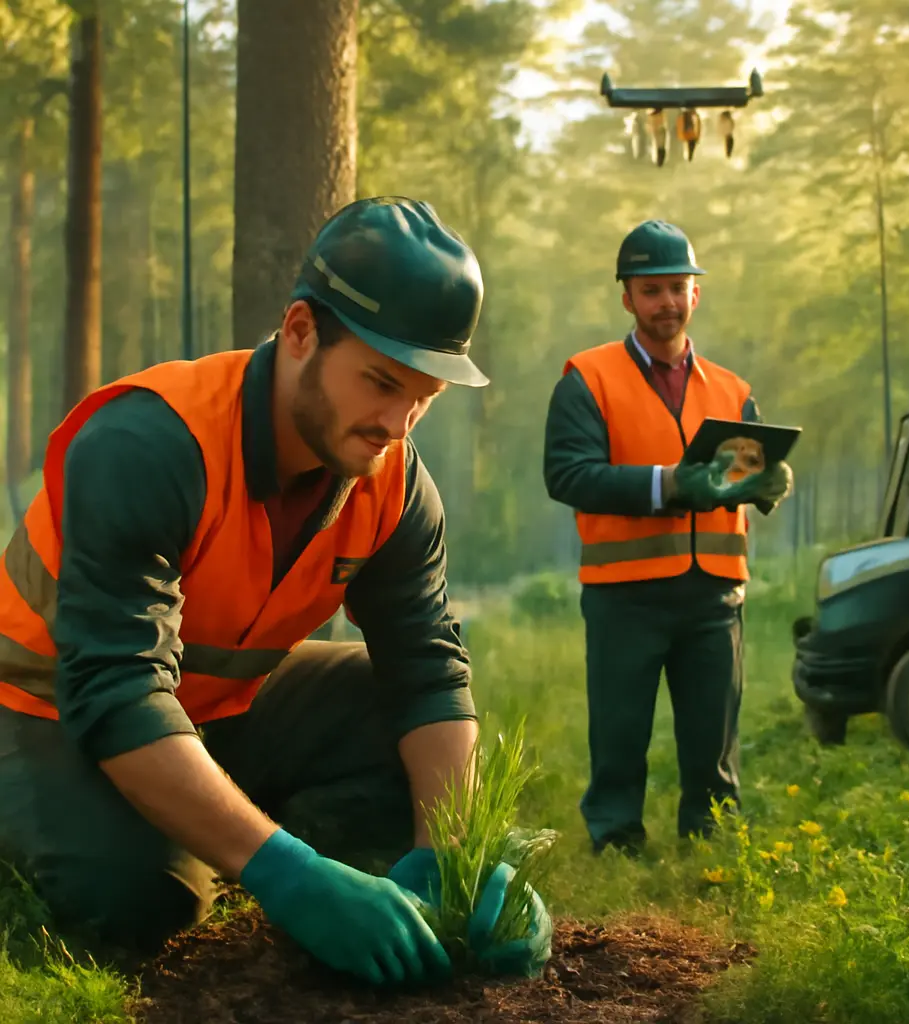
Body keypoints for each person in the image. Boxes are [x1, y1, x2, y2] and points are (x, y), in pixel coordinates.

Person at [0, 196, 551, 986]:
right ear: (300, 331)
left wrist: (456, 862)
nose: (398, 423)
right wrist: (285, 872)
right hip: (42, 706)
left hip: (204, 706)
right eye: (380, 382)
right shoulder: (150, 444)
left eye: (423, 397)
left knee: (399, 727)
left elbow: (427, 669)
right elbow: (115, 693)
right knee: (142, 898)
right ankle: (216, 848)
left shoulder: (392, 481)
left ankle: (247, 842)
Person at [543, 219, 794, 856]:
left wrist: (765, 486)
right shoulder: (586, 378)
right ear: (626, 297)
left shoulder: (734, 390)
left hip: (714, 593)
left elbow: (746, 474)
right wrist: (670, 486)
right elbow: (568, 474)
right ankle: (615, 838)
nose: (667, 303)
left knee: (714, 733)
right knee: (620, 731)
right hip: (623, 593)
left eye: (678, 288)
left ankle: (711, 840)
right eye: (652, 290)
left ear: (696, 295)